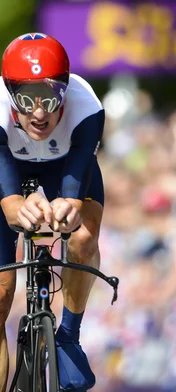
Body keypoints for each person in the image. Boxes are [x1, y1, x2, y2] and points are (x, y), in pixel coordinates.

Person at [0, 33, 105, 391]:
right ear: (9, 91)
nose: (40, 112)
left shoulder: (86, 104)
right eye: (27, 99)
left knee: (85, 235)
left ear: (65, 88)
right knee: (0, 294)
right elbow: (9, 203)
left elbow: (77, 191)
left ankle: (69, 337)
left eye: (49, 96)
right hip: (8, 167)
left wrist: (71, 209)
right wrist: (16, 206)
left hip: (63, 166)